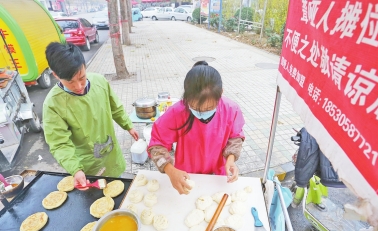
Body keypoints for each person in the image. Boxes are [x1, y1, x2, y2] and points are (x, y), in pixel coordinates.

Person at [42, 42, 139, 187]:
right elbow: (59, 144)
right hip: (86, 164)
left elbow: (115, 107)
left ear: (84, 67)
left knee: (118, 186)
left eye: (82, 78)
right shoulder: (53, 104)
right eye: (70, 82)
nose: (79, 86)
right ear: (55, 75)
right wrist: (75, 170)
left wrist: (128, 125)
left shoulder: (99, 82)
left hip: (111, 154)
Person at [148, 61, 245, 194]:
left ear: (221, 93)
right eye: (195, 108)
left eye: (209, 108)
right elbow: (156, 146)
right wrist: (170, 170)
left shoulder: (231, 110)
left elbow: (235, 137)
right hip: (185, 176)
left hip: (218, 175)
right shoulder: (176, 112)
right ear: (186, 97)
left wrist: (231, 159)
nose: (202, 114)